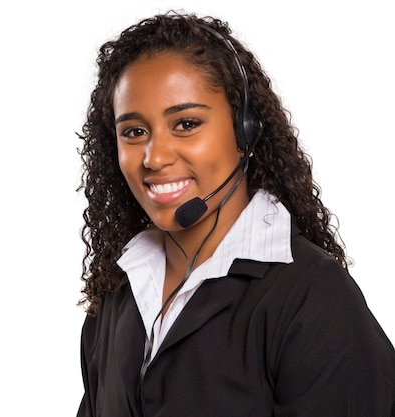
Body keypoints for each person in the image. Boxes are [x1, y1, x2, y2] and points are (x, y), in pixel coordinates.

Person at [75, 10, 395, 417]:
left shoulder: (312, 298)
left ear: (246, 130)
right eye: (134, 132)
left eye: (186, 123)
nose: (154, 158)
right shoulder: (118, 295)